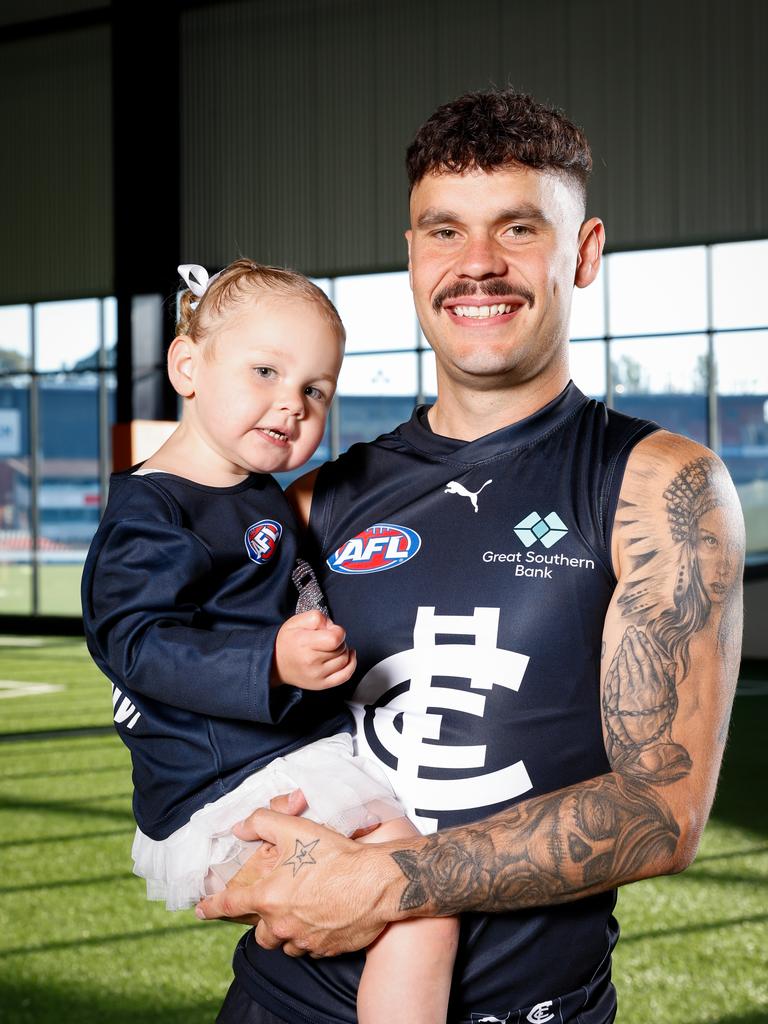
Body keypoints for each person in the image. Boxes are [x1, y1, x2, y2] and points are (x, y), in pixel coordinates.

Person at [197, 91, 745, 1024]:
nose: (476, 265)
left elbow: (659, 808)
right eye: (443, 231)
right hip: (281, 1000)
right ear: (411, 255)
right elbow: (207, 733)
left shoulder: (660, 487)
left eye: (518, 228)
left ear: (585, 252)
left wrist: (387, 884)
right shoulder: (312, 500)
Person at [80, 259, 459, 1024]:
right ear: (187, 366)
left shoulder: (259, 491)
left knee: (403, 902)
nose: (290, 405)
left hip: (285, 754)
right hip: (229, 785)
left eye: (314, 391)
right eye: (265, 371)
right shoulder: (154, 512)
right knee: (422, 903)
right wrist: (273, 661)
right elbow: (134, 644)